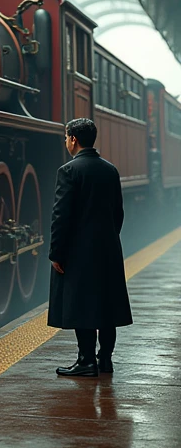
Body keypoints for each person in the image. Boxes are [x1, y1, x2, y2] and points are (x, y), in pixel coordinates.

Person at [48, 117, 132, 377]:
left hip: (78, 251)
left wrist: (56, 253)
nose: (65, 142)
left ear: (73, 139)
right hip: (107, 247)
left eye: (66, 137)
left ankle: (86, 361)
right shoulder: (110, 170)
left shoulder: (68, 171)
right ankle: (105, 360)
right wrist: (107, 238)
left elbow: (61, 217)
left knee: (82, 304)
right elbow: (119, 213)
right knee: (106, 304)